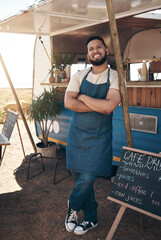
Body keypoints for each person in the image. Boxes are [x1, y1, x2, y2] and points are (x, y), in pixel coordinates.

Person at [64, 36, 121, 236]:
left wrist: (84, 97)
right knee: (81, 178)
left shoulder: (114, 76)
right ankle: (91, 219)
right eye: (90, 48)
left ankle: (73, 205)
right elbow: (69, 103)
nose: (94, 50)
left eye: (98, 47)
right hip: (77, 135)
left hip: (100, 138)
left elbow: (109, 107)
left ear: (106, 50)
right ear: (88, 54)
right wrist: (97, 105)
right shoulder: (79, 75)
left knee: (87, 178)